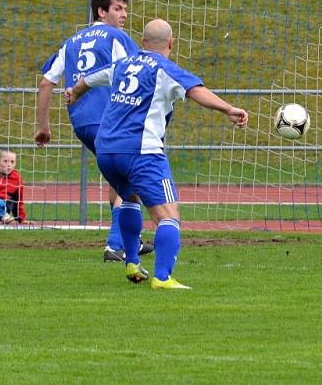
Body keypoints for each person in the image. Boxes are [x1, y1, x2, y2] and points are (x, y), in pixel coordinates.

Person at [66, 18, 248, 290]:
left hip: (106, 149)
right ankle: (163, 278)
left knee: (129, 198)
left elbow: (87, 81)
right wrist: (228, 109)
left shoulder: (123, 64)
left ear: (142, 42)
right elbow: (196, 90)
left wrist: (74, 93)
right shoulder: (165, 68)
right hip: (141, 151)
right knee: (168, 216)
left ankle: (131, 261)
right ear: (172, 44)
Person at [34, 0, 154, 262]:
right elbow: (139, 68)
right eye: (118, 9)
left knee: (120, 178)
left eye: (125, 9)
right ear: (102, 11)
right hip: (111, 120)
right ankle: (115, 245)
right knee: (128, 178)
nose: (124, 14)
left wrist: (43, 126)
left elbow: (45, 83)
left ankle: (128, 240)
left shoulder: (72, 41)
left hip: (82, 122)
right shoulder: (117, 37)